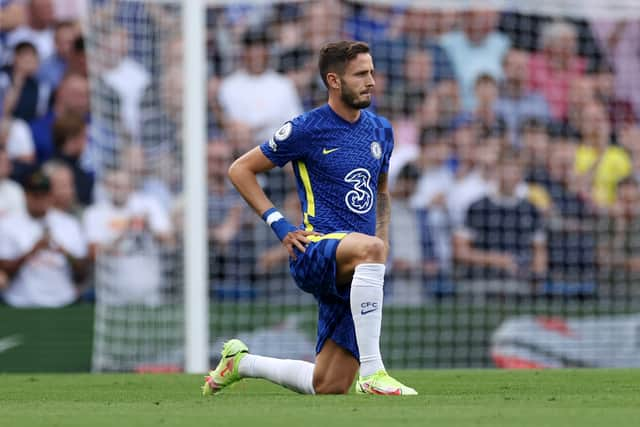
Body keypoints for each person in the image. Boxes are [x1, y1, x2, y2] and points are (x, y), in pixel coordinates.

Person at [203, 41, 417, 396]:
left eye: (372, 72)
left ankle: (240, 362)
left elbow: (380, 192)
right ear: (334, 81)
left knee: (329, 384)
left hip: (356, 263)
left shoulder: (381, 130)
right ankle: (374, 373)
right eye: (361, 74)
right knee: (370, 250)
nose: (372, 82)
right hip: (313, 250)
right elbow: (240, 169)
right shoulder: (307, 128)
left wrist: (383, 238)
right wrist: (280, 225)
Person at [0, 169, 88, 307]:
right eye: (35, 195)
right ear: (26, 195)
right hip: (20, 302)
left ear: (51, 196)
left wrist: (62, 250)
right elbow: (4, 269)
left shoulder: (68, 223)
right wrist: (33, 250)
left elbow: (82, 268)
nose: (39, 200)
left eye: (44, 194)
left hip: (63, 301)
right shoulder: (8, 224)